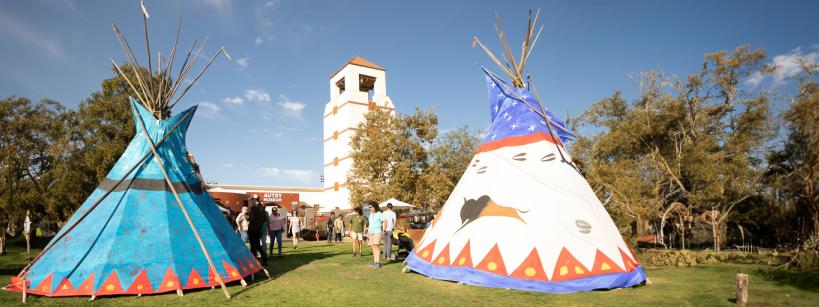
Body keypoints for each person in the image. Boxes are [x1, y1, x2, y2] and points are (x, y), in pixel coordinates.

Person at [247, 199, 268, 265]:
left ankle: (254, 261)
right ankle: (264, 260)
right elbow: (262, 220)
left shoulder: (253, 208)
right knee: (258, 246)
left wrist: (248, 218)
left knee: (253, 246)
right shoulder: (260, 211)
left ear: (252, 203)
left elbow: (252, 218)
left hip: (253, 230)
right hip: (258, 230)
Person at [367, 201, 386, 268]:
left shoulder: (379, 214)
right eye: (369, 207)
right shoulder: (370, 214)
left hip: (377, 231)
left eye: (371, 207)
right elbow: (370, 223)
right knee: (373, 246)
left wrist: (384, 229)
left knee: (376, 245)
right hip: (370, 232)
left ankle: (377, 262)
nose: (370, 208)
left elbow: (385, 221)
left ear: (375, 207)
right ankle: (375, 261)